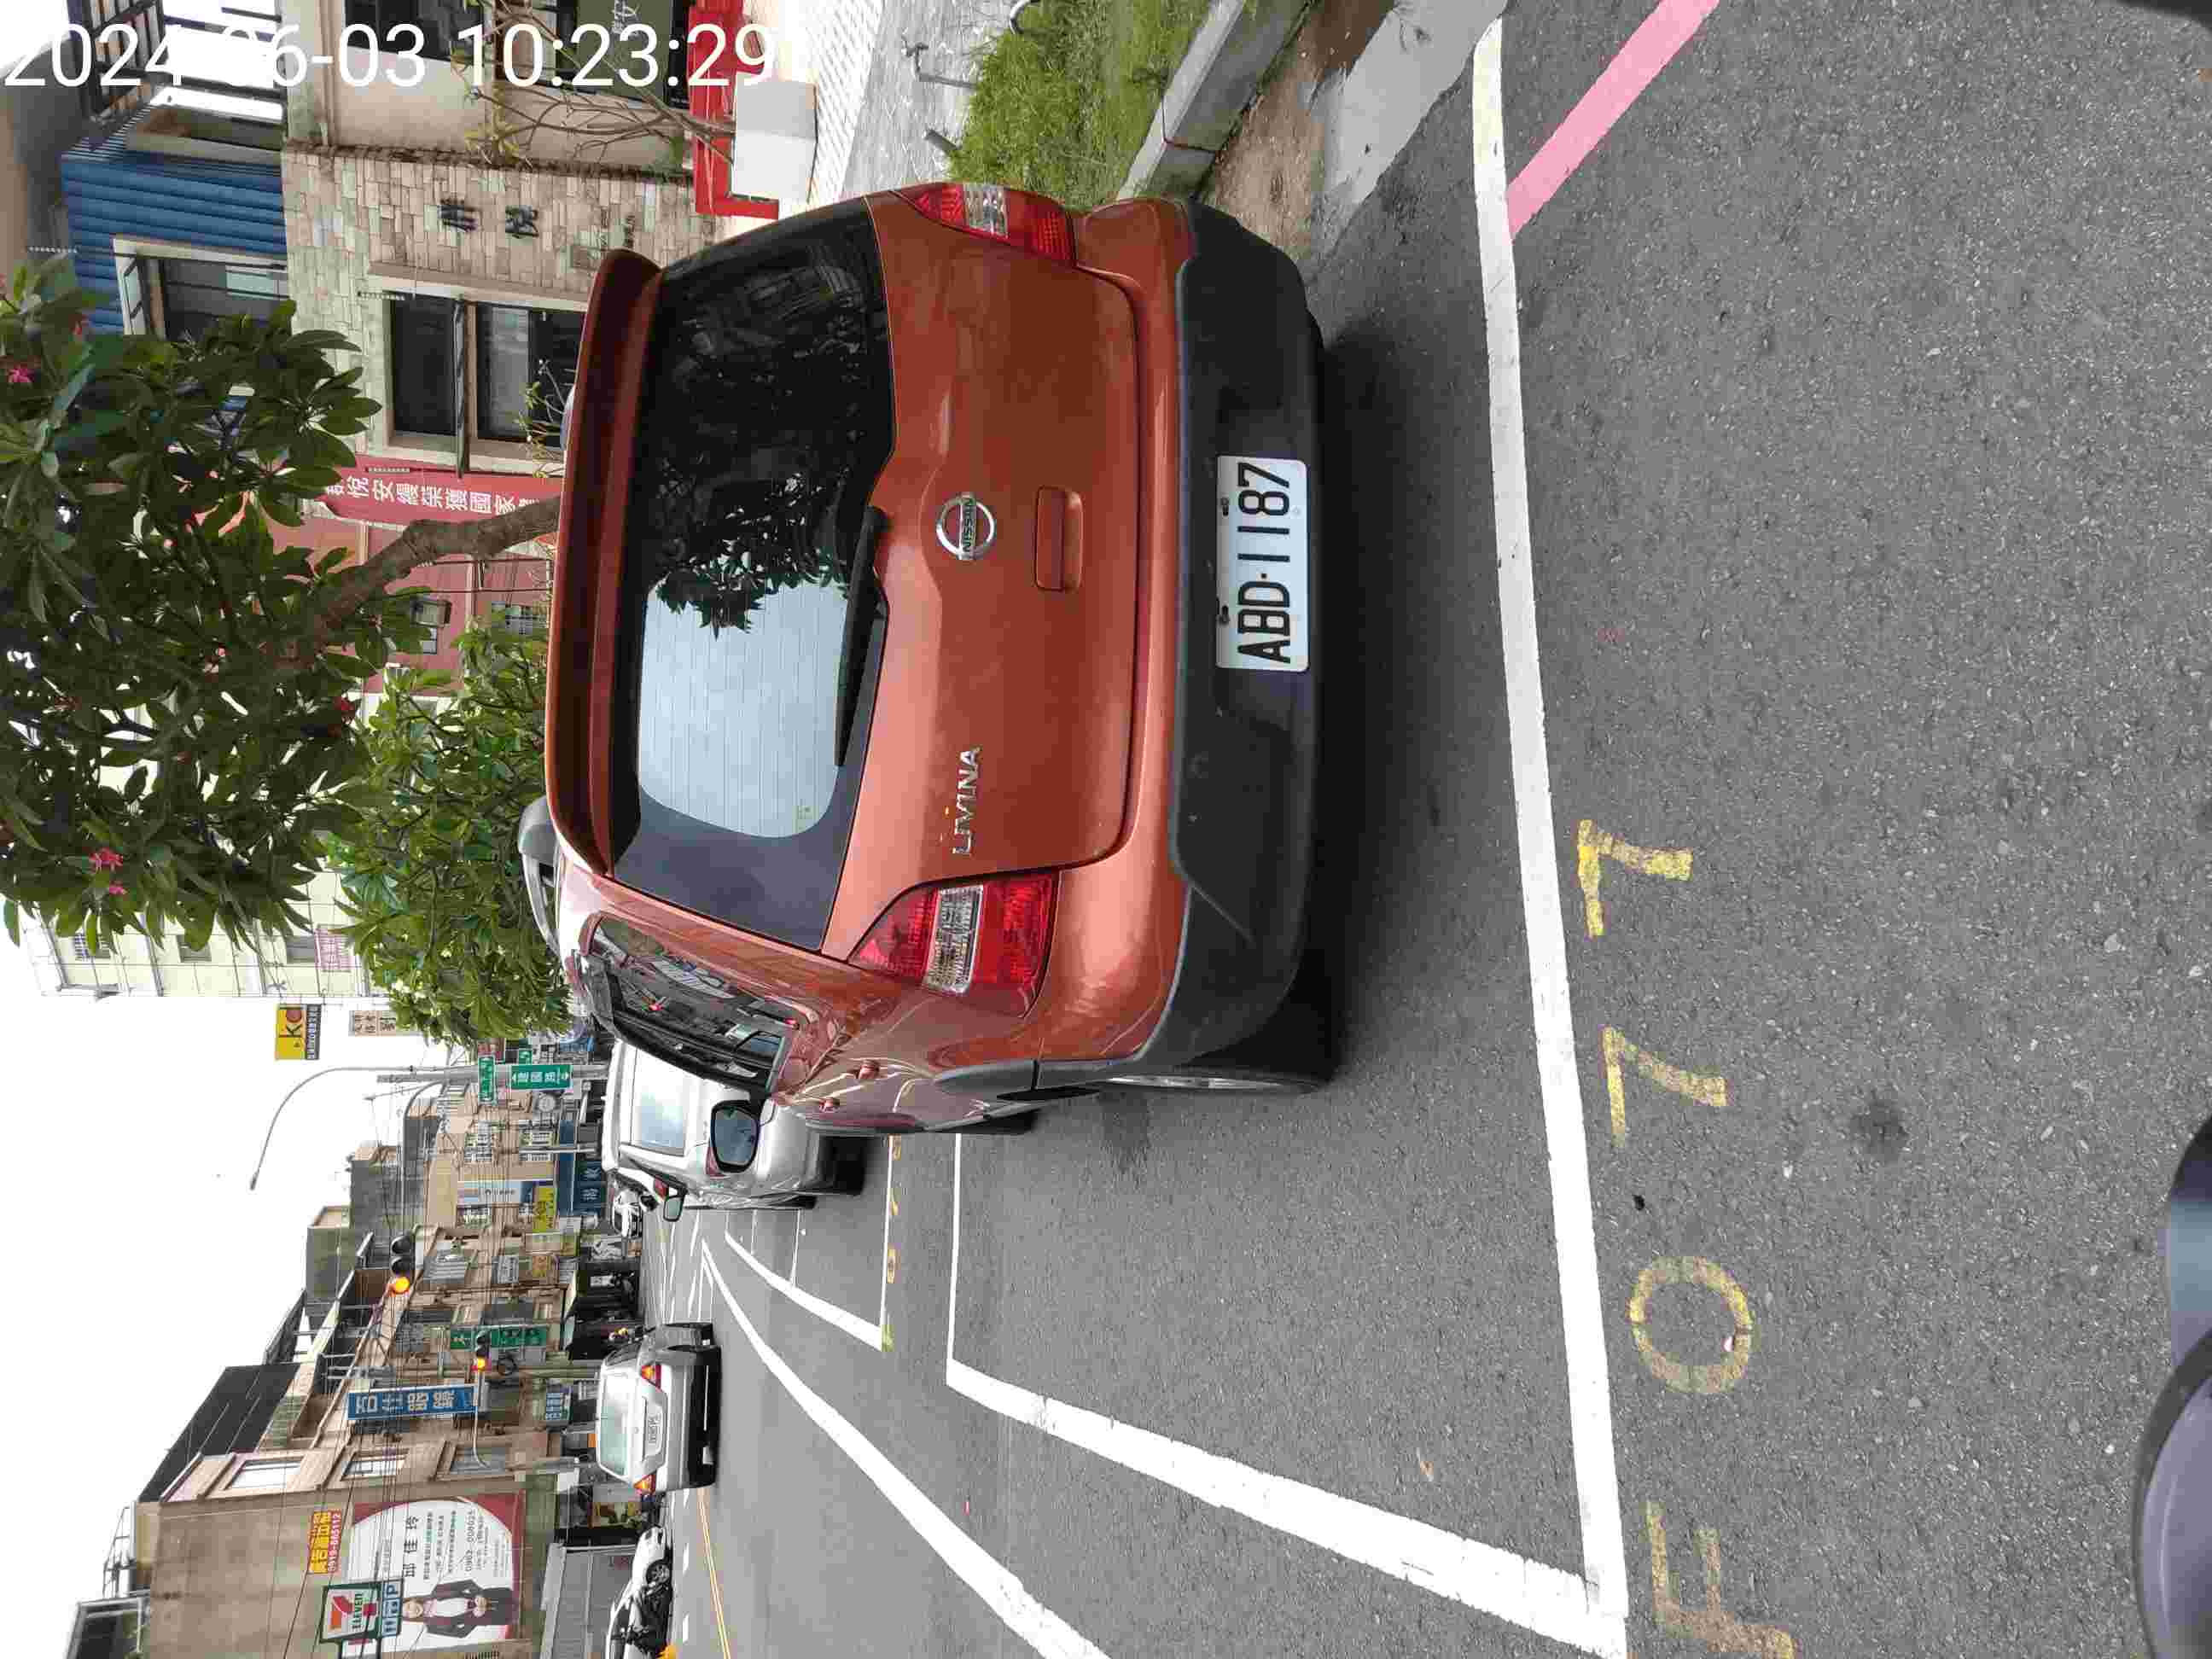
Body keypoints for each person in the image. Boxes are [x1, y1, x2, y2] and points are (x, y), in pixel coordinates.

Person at [399, 1580, 515, 1639]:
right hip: (488, 1617)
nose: (412, 1611)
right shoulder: (432, 1627)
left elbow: (468, 1584)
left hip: (492, 1596)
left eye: (408, 1606)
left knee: (519, 1595)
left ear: (412, 1600)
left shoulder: (437, 1590)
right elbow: (460, 1633)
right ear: (411, 1618)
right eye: (408, 1614)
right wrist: (474, 1618)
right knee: (517, 1617)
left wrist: (479, 1595)